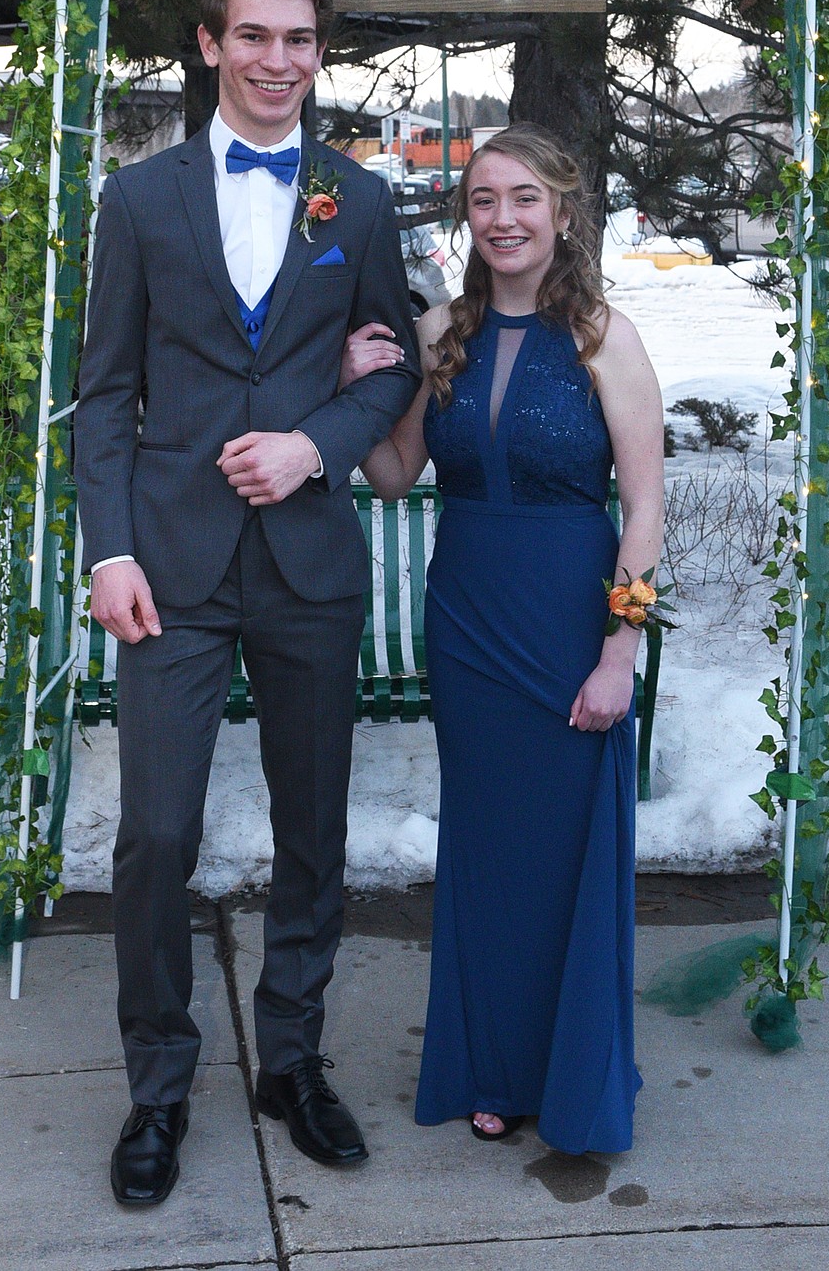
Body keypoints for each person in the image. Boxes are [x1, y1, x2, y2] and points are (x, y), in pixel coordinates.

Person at [74, 0, 420, 1205]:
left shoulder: (362, 198)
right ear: (213, 44)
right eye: (257, 36)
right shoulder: (142, 198)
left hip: (310, 565)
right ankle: (158, 1085)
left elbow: (391, 363)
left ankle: (292, 1059)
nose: (281, 61)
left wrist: (317, 444)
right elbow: (105, 394)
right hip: (168, 563)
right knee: (157, 834)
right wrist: (107, 547)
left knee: (313, 827)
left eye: (301, 39)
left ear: (320, 52)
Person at [339, 128, 664, 1153]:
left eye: (525, 197)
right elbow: (393, 476)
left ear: (562, 213)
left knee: (568, 852)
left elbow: (648, 508)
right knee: (487, 851)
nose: (504, 217)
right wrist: (357, 380)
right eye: (484, 199)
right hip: (469, 617)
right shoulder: (443, 332)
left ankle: (570, 1072)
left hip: (570, 611)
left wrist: (620, 653)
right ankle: (491, 1063)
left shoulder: (608, 335)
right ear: (466, 217)